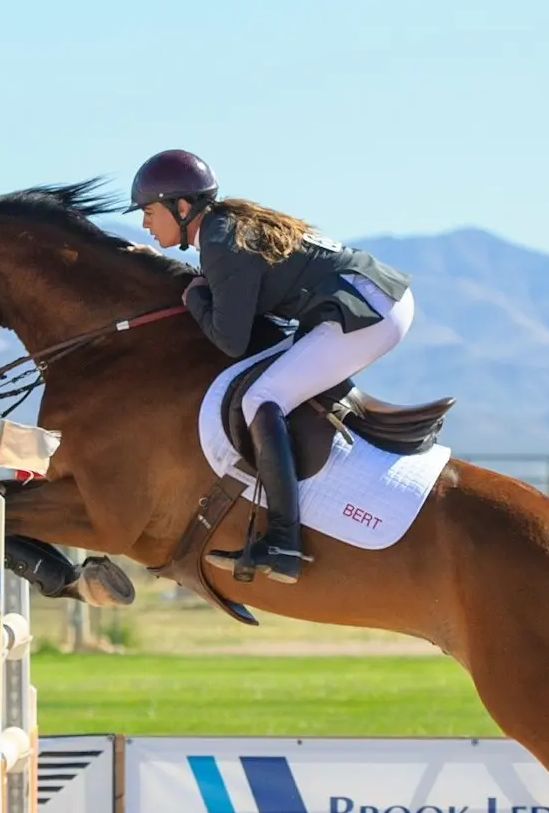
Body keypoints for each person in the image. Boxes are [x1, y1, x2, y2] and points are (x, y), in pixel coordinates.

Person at [129, 149, 415, 584]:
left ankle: (283, 541)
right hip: (371, 300)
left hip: (368, 310)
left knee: (262, 397)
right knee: (274, 386)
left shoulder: (222, 239)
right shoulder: (224, 230)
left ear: (181, 207)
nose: (145, 223)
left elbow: (230, 340)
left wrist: (192, 299)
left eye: (149, 212)